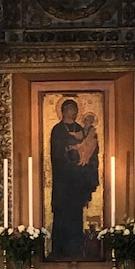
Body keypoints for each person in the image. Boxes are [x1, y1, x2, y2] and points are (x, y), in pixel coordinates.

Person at [49, 98, 99, 258]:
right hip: (62, 180)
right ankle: (59, 250)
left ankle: (77, 249)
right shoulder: (58, 130)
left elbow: (90, 148)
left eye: (75, 109)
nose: (73, 112)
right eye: (70, 109)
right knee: (61, 214)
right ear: (63, 111)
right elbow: (56, 153)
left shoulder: (80, 129)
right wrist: (69, 153)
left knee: (76, 214)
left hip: (77, 180)